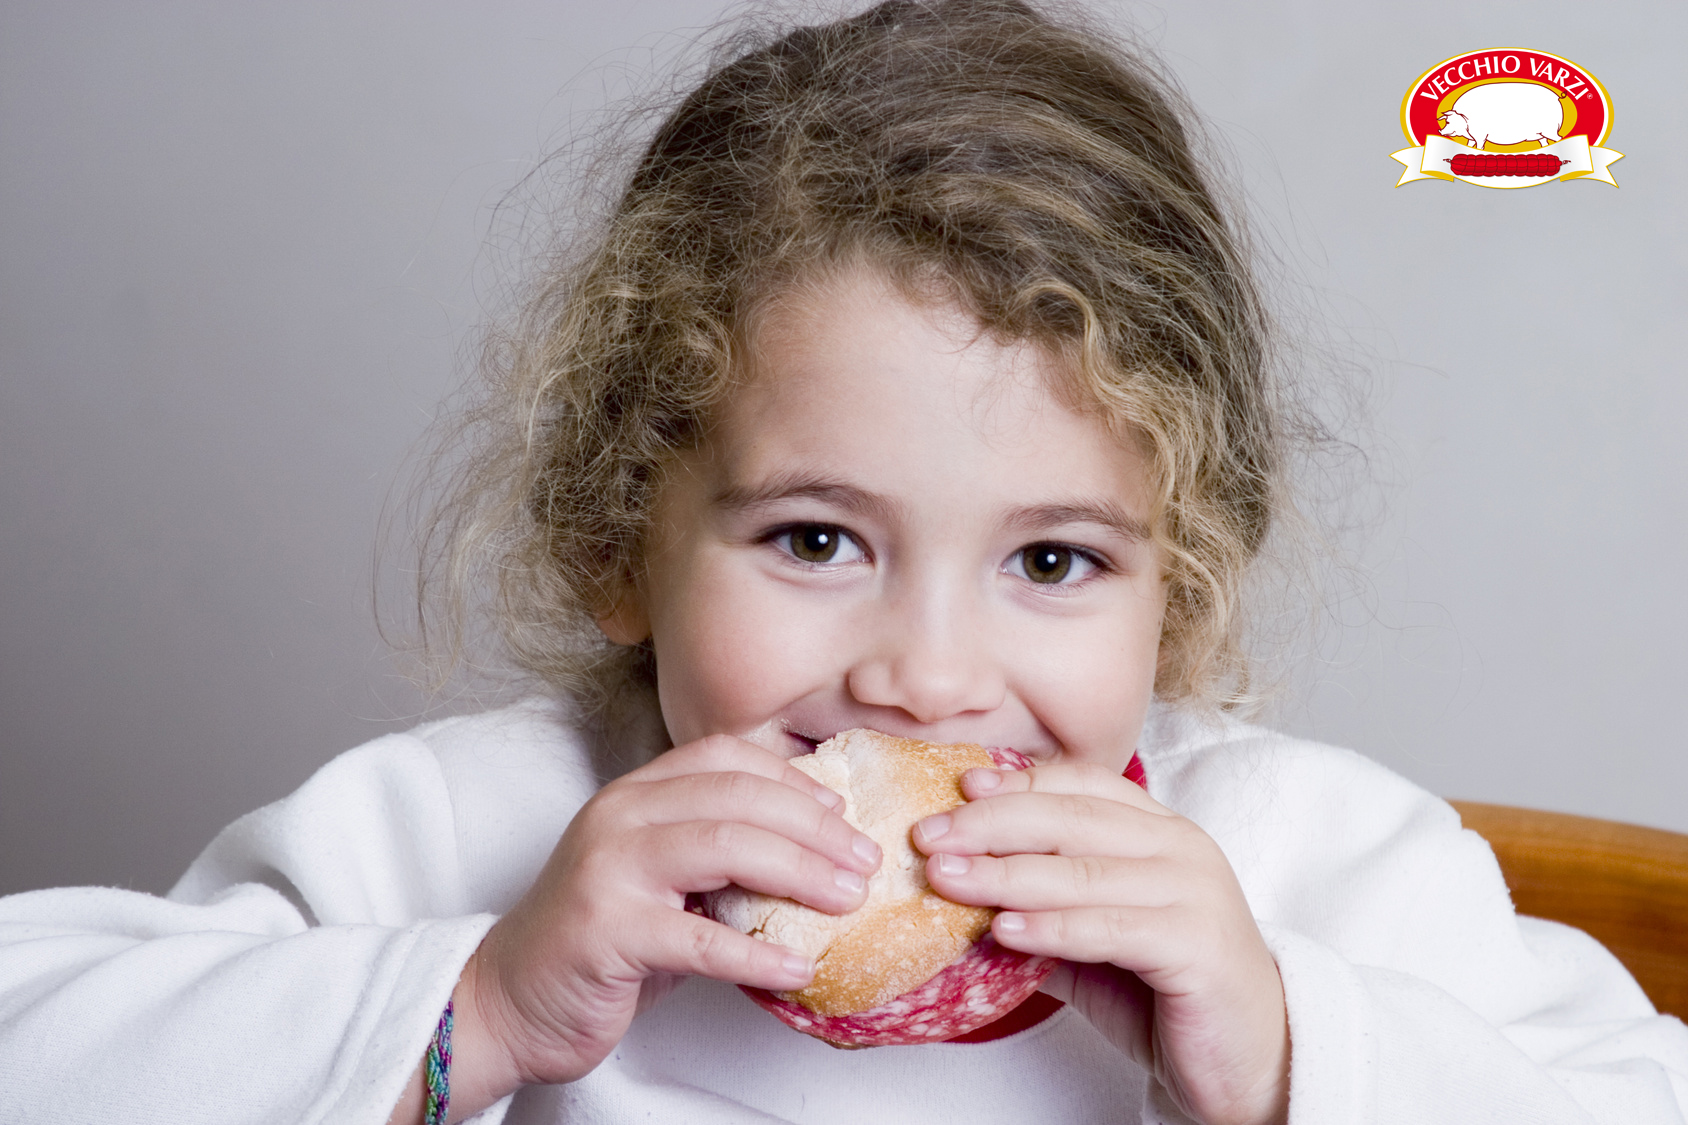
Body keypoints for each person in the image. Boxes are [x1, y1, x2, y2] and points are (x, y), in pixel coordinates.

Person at [3, 2, 1684, 1123]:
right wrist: (481, 1001)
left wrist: (1294, 1047)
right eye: (815, 539)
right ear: (616, 542)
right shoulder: (472, 837)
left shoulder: (1313, 866)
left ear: (1183, 576)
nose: (930, 674)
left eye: (1053, 559)